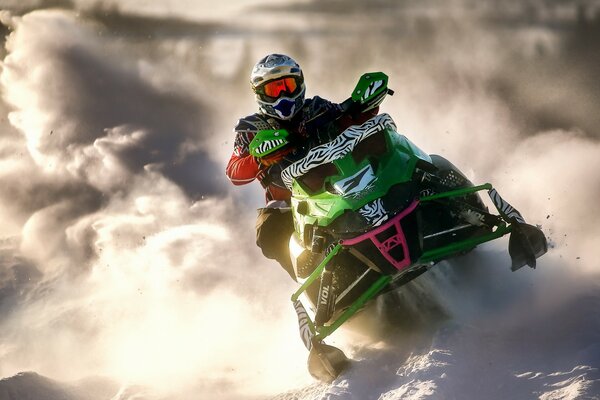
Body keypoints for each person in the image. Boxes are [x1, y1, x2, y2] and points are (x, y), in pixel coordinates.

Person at [226, 54, 379, 280]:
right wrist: (260, 159)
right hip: (292, 204)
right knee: (269, 231)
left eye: (287, 86)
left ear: (299, 84)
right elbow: (234, 172)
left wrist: (366, 106)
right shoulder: (250, 130)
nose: (282, 95)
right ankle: (309, 287)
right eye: (273, 90)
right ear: (260, 95)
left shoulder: (318, 108)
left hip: (340, 183)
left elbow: (348, 119)